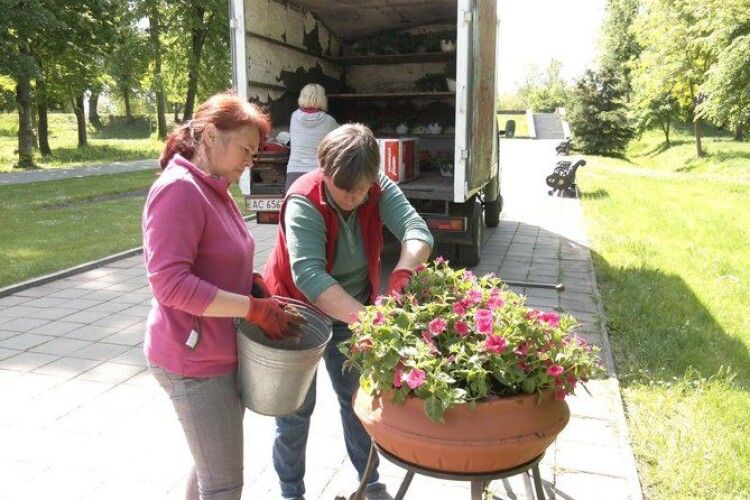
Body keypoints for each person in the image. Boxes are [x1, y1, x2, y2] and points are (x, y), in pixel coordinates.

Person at [142, 93, 304, 500]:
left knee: (209, 465)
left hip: (216, 351)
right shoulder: (178, 191)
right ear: (211, 135)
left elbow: (215, 259)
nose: (250, 161)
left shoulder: (214, 188)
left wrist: (252, 286)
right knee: (224, 483)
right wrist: (253, 309)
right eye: (246, 150)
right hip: (192, 360)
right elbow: (171, 284)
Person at [263, 124, 434, 500]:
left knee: (358, 402)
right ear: (324, 171)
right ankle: (291, 493)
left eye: (363, 188)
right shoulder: (302, 200)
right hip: (296, 316)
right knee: (294, 412)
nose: (356, 197)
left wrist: (405, 269)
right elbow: (308, 276)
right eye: (346, 189)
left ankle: (369, 484)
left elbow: (417, 229)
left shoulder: (375, 186)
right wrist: (373, 320)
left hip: (350, 310)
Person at [285, 83, 339, 191]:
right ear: (322, 99)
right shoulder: (329, 121)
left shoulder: (294, 117)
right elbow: (344, 137)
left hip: (294, 173)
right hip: (317, 174)